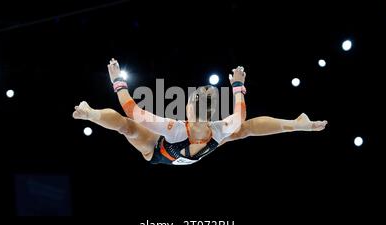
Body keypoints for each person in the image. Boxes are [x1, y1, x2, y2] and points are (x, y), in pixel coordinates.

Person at [73, 58, 327, 165]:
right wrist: (238, 86)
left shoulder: (173, 129)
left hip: (159, 150)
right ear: (213, 112)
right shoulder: (220, 128)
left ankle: (91, 114)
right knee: (244, 130)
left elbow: (132, 111)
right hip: (194, 150)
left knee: (126, 126)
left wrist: (118, 81)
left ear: (187, 109)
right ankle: (296, 124)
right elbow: (241, 117)